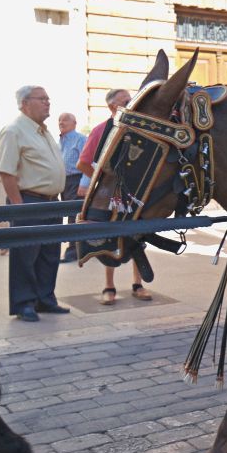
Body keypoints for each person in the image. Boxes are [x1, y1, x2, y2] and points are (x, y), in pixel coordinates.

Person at [0, 85, 69, 323]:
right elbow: (6, 173)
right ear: (25, 103)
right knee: (25, 256)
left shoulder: (44, 131)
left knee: (49, 254)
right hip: (29, 201)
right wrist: (20, 207)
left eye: (48, 98)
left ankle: (45, 300)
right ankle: (24, 303)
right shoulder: (14, 130)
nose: (48, 102)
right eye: (42, 99)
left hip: (51, 202)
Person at [76, 88, 152, 305]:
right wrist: (104, 183)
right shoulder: (101, 130)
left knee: (139, 237)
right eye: (127, 101)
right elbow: (82, 162)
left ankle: (138, 284)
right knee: (110, 240)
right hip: (110, 198)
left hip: (137, 195)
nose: (131, 103)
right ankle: (109, 286)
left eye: (131, 99)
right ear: (113, 107)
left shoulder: (140, 128)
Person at [57, 112, 87, 263]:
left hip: (76, 180)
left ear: (74, 123)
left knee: (73, 215)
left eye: (65, 120)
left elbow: (89, 162)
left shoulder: (80, 139)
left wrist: (84, 182)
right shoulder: (58, 141)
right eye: (60, 120)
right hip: (61, 182)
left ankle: (72, 252)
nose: (61, 122)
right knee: (64, 213)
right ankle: (82, 248)